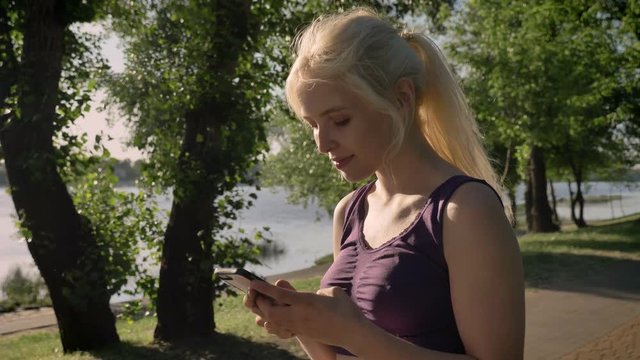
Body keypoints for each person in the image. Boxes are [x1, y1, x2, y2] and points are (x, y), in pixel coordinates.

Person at [243, 7, 525, 360]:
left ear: (401, 97)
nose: (321, 143)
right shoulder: (348, 212)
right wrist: (303, 325)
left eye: (340, 120)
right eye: (312, 124)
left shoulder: (464, 210)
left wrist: (352, 332)